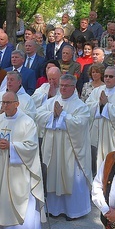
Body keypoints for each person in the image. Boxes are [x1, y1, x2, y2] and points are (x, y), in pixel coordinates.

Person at [0, 91, 44, 229]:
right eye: (3, 103)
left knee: (17, 199)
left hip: (19, 170)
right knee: (0, 198)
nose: (4, 106)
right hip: (0, 169)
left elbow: (31, 146)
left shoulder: (27, 122)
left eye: (8, 103)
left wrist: (11, 147)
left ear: (17, 104)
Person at [35, 74, 92, 220]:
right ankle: (54, 209)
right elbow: (38, 116)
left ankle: (74, 211)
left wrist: (62, 115)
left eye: (67, 86)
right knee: (53, 174)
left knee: (71, 177)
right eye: (61, 85)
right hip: (53, 148)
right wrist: (53, 115)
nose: (63, 88)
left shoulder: (81, 106)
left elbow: (80, 124)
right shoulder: (51, 102)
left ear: (74, 87)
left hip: (71, 150)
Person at [86, 66, 115, 169]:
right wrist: (99, 105)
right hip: (98, 131)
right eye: (105, 76)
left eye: (111, 76)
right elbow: (87, 106)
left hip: (112, 135)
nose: (107, 78)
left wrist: (106, 105)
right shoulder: (97, 91)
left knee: (112, 162)